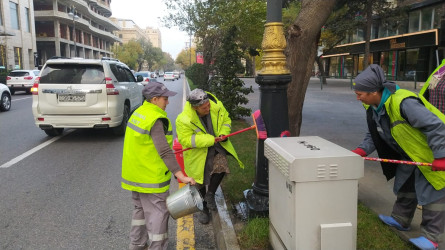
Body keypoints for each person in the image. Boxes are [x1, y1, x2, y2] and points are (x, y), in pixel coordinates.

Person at [351, 64, 445, 250]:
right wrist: (361, 150)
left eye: (360, 93)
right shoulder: (374, 106)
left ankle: (432, 238)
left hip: (430, 154)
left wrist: (441, 156)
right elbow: (375, 133)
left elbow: (436, 126)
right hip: (409, 154)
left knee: (432, 195)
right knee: (405, 185)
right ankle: (401, 219)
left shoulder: (404, 102)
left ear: (373, 92)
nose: (357, 97)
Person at [121, 82, 196, 250]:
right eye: (165, 98)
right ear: (154, 99)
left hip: (135, 175)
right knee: (158, 213)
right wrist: (180, 174)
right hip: (151, 178)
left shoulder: (139, 112)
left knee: (139, 211)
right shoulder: (155, 119)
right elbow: (164, 151)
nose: (167, 102)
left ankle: (137, 245)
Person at [176, 89, 244, 224]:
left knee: (221, 165)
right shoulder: (183, 119)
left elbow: (226, 120)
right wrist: (209, 139)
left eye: (208, 105)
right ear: (195, 108)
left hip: (216, 147)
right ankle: (203, 209)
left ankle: (210, 195)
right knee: (198, 181)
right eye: (204, 108)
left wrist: (224, 133)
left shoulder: (216, 106)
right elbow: (186, 140)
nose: (208, 108)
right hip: (197, 154)